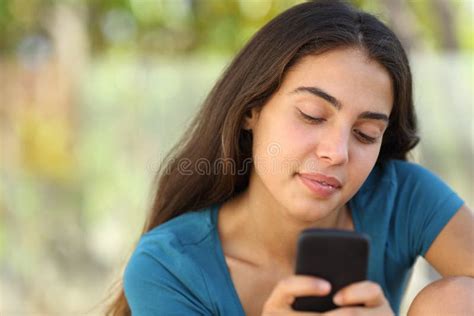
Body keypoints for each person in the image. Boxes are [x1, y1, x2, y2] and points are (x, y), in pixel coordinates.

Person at [106, 1, 474, 315]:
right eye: (312, 115)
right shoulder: (170, 268)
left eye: (366, 134)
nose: (336, 152)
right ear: (251, 109)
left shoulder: (401, 197)